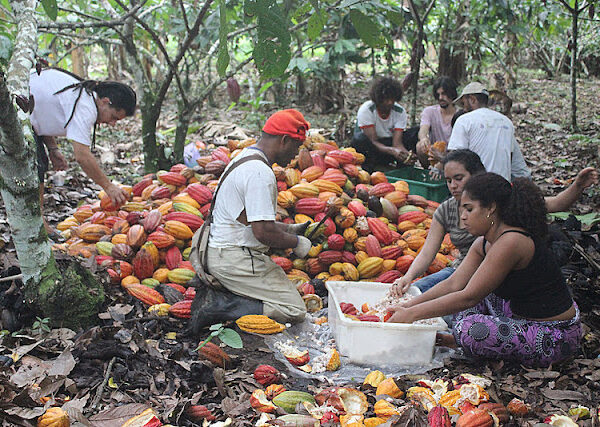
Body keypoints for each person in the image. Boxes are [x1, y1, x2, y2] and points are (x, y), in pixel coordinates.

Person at [387, 172, 582, 367]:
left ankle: (462, 339)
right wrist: (409, 306)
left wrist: (412, 315)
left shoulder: (512, 241)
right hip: (517, 314)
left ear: (491, 208)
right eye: (462, 209)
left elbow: (468, 297)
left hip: (555, 334)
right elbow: (454, 283)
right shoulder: (483, 242)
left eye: (469, 209)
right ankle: (462, 339)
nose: (463, 217)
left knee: (469, 329)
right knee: (470, 300)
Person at [390, 149, 598, 297]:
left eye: (459, 178)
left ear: (477, 177)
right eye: (448, 180)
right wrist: (408, 277)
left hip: (495, 279)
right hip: (460, 271)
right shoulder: (446, 209)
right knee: (416, 293)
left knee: (451, 315)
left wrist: (578, 185)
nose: (453, 185)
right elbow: (427, 253)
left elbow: (554, 204)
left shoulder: (501, 201)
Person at [188, 109, 313, 334]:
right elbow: (262, 232)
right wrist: (296, 243)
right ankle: (219, 306)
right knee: (294, 309)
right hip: (234, 258)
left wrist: (288, 229)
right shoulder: (259, 173)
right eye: (296, 146)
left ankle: (224, 293)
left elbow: (246, 218)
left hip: (216, 251)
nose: (296, 155)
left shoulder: (246, 157)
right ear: (284, 140)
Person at [30, 68, 137, 235]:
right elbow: (82, 156)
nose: (113, 123)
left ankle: (36, 223)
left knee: (38, 163)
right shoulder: (85, 106)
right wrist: (109, 187)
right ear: (105, 101)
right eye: (114, 117)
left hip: (22, 111)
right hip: (10, 110)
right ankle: (36, 226)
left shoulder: (83, 94)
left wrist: (52, 148)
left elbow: (41, 111)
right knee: (35, 166)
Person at [448, 82, 530, 181]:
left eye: (464, 103)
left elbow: (455, 161)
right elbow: (511, 159)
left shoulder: (464, 120)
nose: (464, 109)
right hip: (502, 186)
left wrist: (439, 158)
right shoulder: (506, 122)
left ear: (473, 99)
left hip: (476, 187)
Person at [350, 77, 415, 172]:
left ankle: (404, 169)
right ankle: (369, 169)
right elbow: (373, 141)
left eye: (392, 99)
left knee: (414, 133)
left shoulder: (399, 111)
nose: (390, 102)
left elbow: (397, 143)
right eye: (386, 99)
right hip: (371, 149)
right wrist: (392, 151)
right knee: (359, 139)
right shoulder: (367, 110)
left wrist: (404, 154)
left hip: (388, 146)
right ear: (378, 98)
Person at [414, 76, 458, 171]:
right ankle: (428, 172)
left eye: (444, 94)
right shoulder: (430, 111)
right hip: (434, 152)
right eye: (438, 95)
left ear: (452, 94)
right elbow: (423, 129)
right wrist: (424, 138)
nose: (441, 98)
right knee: (419, 146)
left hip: (453, 153)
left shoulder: (460, 115)